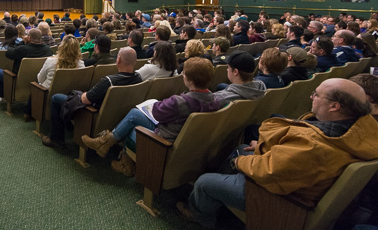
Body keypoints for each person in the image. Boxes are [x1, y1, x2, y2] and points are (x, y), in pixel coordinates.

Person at [177, 78, 378, 229]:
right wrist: (263, 149)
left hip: (282, 200)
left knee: (206, 181)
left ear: (335, 106)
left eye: (316, 95)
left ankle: (200, 215)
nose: (311, 97)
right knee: (241, 148)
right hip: (297, 182)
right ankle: (219, 199)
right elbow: (293, 159)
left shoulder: (316, 145)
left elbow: (269, 171)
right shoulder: (359, 131)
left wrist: (239, 163)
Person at [82, 57, 219, 176]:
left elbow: (157, 113)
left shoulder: (179, 102)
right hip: (183, 140)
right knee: (134, 114)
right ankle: (107, 145)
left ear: (188, 80)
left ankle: (122, 161)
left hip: (162, 144)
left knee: (130, 127)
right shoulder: (215, 100)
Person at [42, 47, 141, 149]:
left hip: (92, 115)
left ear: (118, 59)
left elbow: (85, 99)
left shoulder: (109, 81)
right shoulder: (139, 78)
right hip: (118, 117)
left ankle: (56, 140)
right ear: (135, 61)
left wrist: (84, 94)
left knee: (56, 98)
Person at [27, 35, 84, 121]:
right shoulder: (81, 64)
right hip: (70, 96)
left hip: (47, 94)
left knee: (36, 85)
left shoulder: (51, 61)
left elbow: (40, 79)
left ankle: (29, 114)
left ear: (61, 46)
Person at [0, 28, 52, 102]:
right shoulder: (48, 49)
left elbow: (8, 53)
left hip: (18, 80)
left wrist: (22, 42)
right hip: (38, 79)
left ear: (29, 38)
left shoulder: (23, 49)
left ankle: (3, 96)